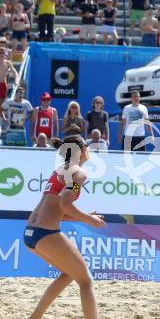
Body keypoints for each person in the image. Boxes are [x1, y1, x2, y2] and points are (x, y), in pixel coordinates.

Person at [24, 136, 106, 318]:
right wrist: (89, 219)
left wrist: (86, 217)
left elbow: (58, 209)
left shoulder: (59, 171)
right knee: (86, 281)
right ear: (81, 151)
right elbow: (65, 204)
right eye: (87, 145)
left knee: (69, 273)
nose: (90, 148)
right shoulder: (80, 173)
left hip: (30, 233)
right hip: (45, 233)